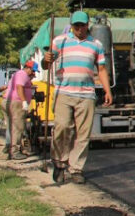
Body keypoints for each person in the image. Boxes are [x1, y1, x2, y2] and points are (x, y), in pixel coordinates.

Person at [42, 11, 113, 184]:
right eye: (76, 26)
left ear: (87, 24)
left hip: (86, 94)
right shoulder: (60, 41)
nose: (80, 29)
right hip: (64, 92)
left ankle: (76, 168)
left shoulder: (96, 44)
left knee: (83, 134)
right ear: (72, 25)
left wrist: (107, 90)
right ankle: (59, 162)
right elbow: (46, 64)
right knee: (62, 127)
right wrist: (47, 59)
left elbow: (101, 69)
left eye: (82, 25)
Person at [3, 61, 39, 160]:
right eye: (33, 71)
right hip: (16, 102)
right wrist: (24, 101)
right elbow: (19, 87)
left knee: (12, 127)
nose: (33, 73)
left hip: (10, 101)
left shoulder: (19, 75)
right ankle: (15, 151)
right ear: (28, 68)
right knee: (18, 127)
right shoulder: (22, 74)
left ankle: (11, 150)